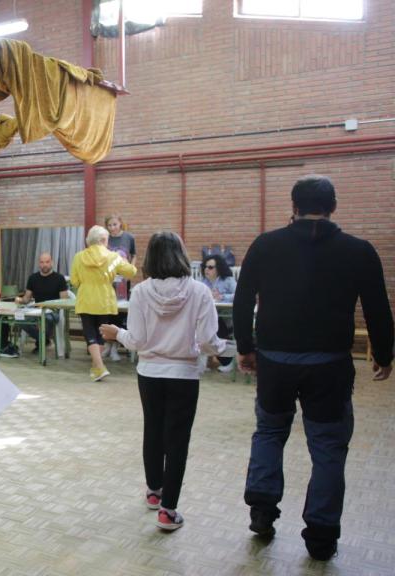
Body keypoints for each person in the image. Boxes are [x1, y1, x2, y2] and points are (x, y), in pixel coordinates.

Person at [234, 175, 393, 561]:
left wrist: (246, 348)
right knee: (327, 448)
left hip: (274, 360)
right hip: (330, 365)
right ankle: (321, 536)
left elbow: (242, 300)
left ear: (293, 206)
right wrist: (384, 354)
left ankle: (262, 511)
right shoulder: (358, 250)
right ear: (333, 205)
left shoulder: (265, 245)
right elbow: (377, 306)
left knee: (270, 431)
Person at [99, 231, 225, 532]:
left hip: (150, 374)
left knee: (153, 431)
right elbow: (208, 340)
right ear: (181, 255)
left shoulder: (141, 292)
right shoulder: (199, 292)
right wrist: (222, 352)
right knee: (177, 439)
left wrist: (118, 334)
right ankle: (168, 512)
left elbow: (138, 340)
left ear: (150, 257)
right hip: (184, 375)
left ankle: (154, 493)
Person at [70, 225, 137, 381]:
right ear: (102, 240)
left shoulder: (79, 257)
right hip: (105, 300)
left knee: (90, 334)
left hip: (86, 299)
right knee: (101, 333)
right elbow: (131, 272)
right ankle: (98, 367)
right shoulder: (113, 257)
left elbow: (74, 281)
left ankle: (98, 367)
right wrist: (126, 261)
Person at [13, 252, 69, 356]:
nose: (45, 265)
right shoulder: (33, 278)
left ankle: (41, 342)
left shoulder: (59, 278)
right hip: (36, 310)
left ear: (51, 262)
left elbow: (64, 300)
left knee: (46, 319)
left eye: (47, 262)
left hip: (53, 311)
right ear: (39, 263)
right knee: (18, 318)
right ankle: (44, 340)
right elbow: (27, 298)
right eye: (42, 262)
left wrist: (53, 306)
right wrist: (19, 300)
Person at [104, 214, 136, 362]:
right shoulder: (105, 238)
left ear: (120, 224)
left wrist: (131, 268)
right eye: (109, 225)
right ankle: (108, 346)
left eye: (115, 224)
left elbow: (134, 255)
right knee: (108, 313)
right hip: (108, 282)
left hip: (123, 281)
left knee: (120, 313)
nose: (112, 228)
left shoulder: (129, 237)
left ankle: (116, 347)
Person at [199, 254, 237, 372]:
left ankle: (229, 361)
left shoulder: (228, 280)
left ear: (218, 268)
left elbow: (238, 295)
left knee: (212, 324)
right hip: (211, 317)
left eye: (210, 267)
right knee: (200, 325)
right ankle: (202, 362)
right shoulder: (203, 282)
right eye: (205, 267)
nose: (206, 269)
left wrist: (222, 296)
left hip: (227, 318)